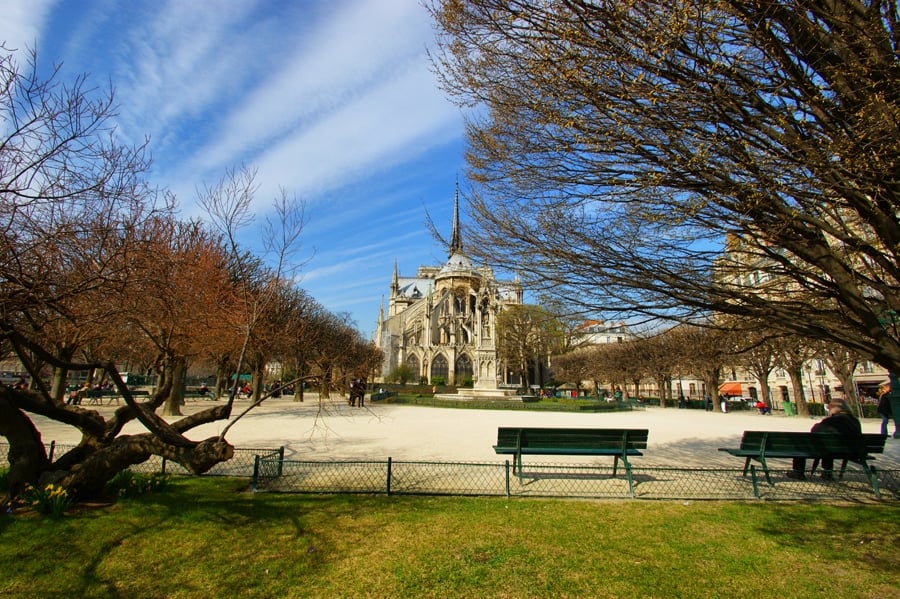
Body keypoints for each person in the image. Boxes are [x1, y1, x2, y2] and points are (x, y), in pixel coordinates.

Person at [787, 399, 861, 481]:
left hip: (833, 450)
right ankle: (827, 472)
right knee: (829, 445)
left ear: (835, 408)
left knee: (803, 445)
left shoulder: (831, 420)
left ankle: (798, 471)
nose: (829, 410)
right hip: (853, 451)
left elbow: (815, 431)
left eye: (829, 407)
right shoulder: (854, 420)